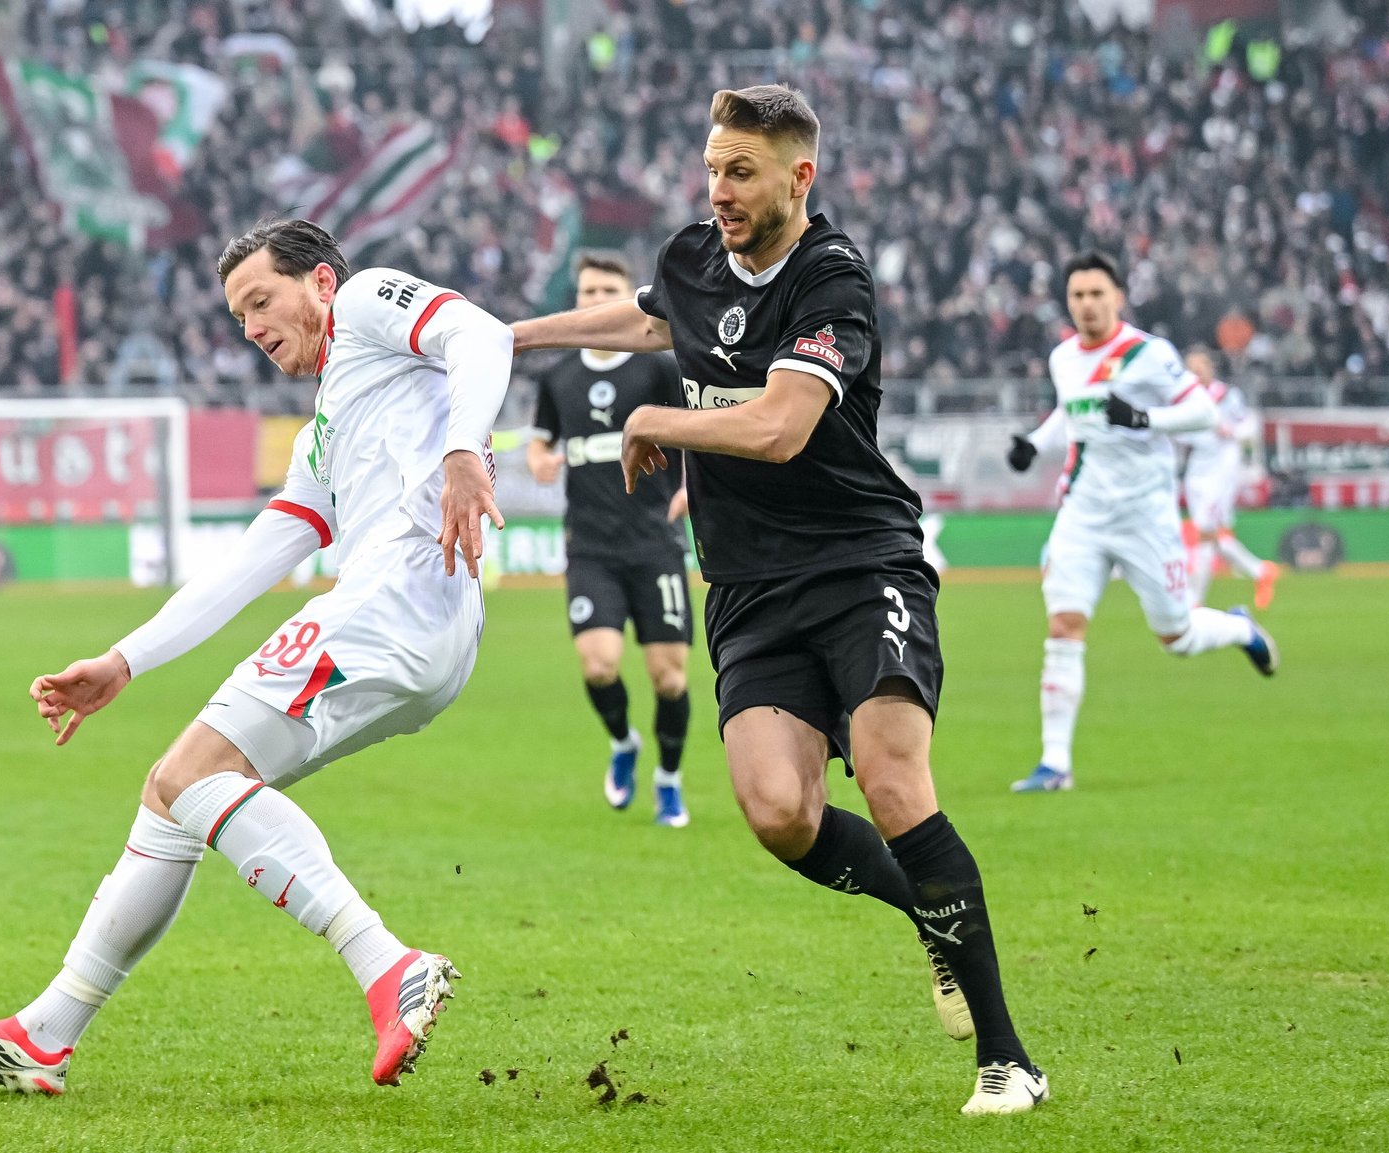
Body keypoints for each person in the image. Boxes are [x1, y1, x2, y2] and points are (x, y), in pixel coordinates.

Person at [512, 84, 1047, 1116]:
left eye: (740, 172)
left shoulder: (831, 281)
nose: (717, 190)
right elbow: (639, 317)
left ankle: (1005, 1057)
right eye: (711, 168)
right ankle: (926, 918)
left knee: (893, 784)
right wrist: (513, 336)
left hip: (860, 567)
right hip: (748, 589)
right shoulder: (692, 256)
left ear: (798, 178)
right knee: (777, 812)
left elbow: (777, 427)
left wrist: (659, 419)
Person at [0, 220, 513, 1094]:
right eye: (237, 317)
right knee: (172, 793)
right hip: (423, 628)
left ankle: (388, 962)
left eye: (261, 301)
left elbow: (482, 332)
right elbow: (252, 561)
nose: (252, 328)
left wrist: (463, 451)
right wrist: (126, 659)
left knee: (197, 773)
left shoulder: (368, 299)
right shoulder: (330, 428)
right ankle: (47, 1034)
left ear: (318, 282)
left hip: (393, 602)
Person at [1006, 255, 1281, 796]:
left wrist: (1146, 419)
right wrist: (1034, 444)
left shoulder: (1149, 355)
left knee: (1175, 636)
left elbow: (1204, 413)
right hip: (1082, 514)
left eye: (1096, 294)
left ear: (1118, 297)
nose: (1086, 304)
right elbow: (1071, 412)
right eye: (1077, 295)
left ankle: (1240, 628)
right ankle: (1054, 764)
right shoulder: (1064, 358)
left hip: (1146, 518)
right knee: (1064, 628)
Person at [525, 252, 695, 826]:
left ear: (632, 299)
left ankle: (668, 778)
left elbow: (702, 435)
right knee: (599, 666)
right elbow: (540, 439)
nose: (597, 300)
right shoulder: (559, 377)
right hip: (591, 548)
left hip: (655, 544)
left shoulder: (659, 370)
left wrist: (693, 485)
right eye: (589, 291)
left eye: (609, 292)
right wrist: (539, 458)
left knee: (669, 677)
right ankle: (623, 742)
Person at [1175, 349, 1279, 609]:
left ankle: (1194, 600)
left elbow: (1248, 428)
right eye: (1191, 372)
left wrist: (1230, 431)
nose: (1196, 376)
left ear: (1210, 369)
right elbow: (1182, 436)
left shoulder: (1227, 397)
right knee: (1214, 535)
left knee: (1205, 532)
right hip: (1197, 468)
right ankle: (1260, 572)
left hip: (1221, 469)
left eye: (1200, 370)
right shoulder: (1187, 400)